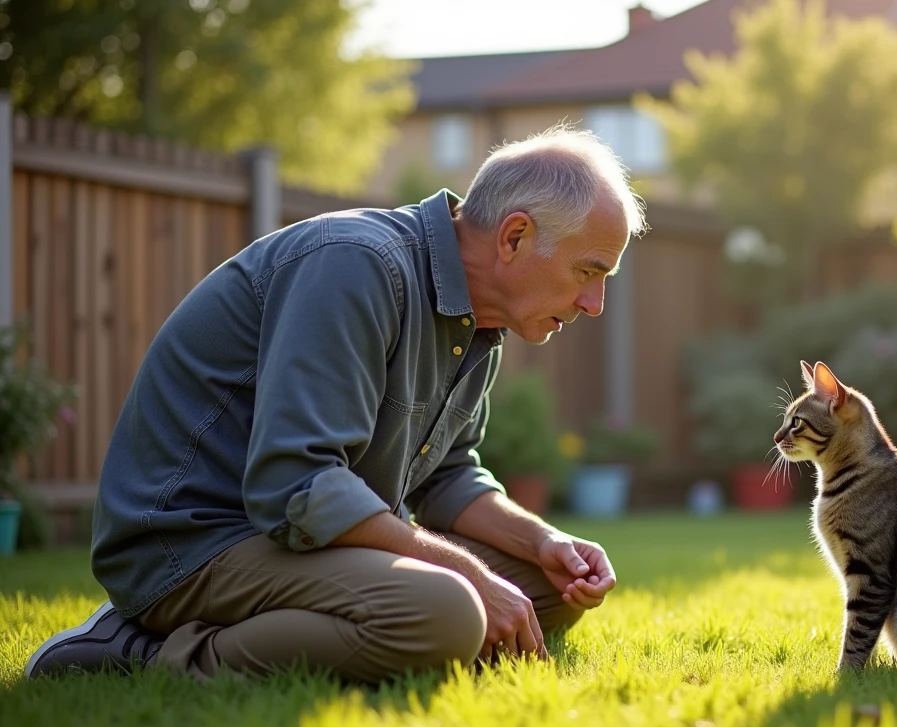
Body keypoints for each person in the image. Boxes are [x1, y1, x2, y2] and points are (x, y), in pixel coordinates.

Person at [24, 125, 647, 682]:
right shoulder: (356, 266)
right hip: (194, 542)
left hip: (301, 540)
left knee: (553, 590)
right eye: (587, 273)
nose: (593, 305)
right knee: (451, 611)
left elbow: (450, 476)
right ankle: (139, 653)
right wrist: (474, 580)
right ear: (515, 236)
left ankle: (418, 616)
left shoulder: (481, 322)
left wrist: (541, 543)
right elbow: (298, 485)